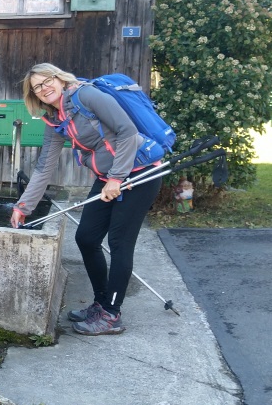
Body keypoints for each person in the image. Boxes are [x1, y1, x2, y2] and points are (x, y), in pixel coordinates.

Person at [10, 63, 162, 336]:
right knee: (87, 238)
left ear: (59, 78)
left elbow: (127, 131)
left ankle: (112, 315)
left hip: (139, 173)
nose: (44, 88)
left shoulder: (86, 95)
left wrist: (116, 177)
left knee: (119, 242)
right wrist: (24, 206)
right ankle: (101, 304)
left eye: (47, 81)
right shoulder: (55, 120)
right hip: (108, 177)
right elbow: (45, 167)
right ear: (33, 95)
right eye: (37, 87)